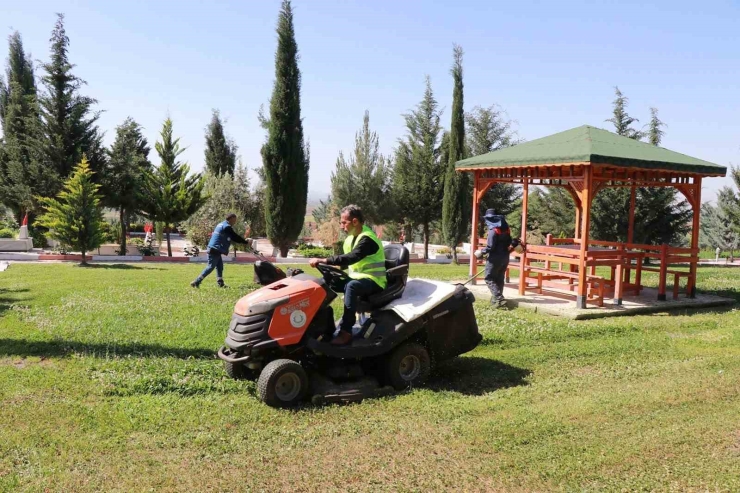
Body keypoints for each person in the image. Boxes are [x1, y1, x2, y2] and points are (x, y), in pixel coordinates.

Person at [309, 204, 386, 345]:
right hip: (357, 278)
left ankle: (346, 332)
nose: (341, 226)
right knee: (324, 283)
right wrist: (328, 270)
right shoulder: (350, 239)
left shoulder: (368, 239)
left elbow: (351, 257)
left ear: (355, 222)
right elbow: (344, 263)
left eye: (344, 222)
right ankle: (322, 326)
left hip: (374, 281)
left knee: (351, 287)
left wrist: (324, 259)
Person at [190, 213, 251, 288]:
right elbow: (234, 236)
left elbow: (230, 237)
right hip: (214, 249)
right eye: (234, 220)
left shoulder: (221, 224)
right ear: (231, 219)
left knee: (219, 266)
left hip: (215, 248)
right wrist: (245, 242)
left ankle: (220, 283)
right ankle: (197, 281)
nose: (235, 222)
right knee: (210, 266)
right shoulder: (227, 227)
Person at [479, 209, 515, 307]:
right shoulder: (506, 229)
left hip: (495, 258)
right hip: (505, 257)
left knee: (489, 278)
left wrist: (481, 252)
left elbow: (490, 247)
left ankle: (499, 298)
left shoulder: (493, 231)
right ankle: (497, 300)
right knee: (499, 277)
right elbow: (509, 243)